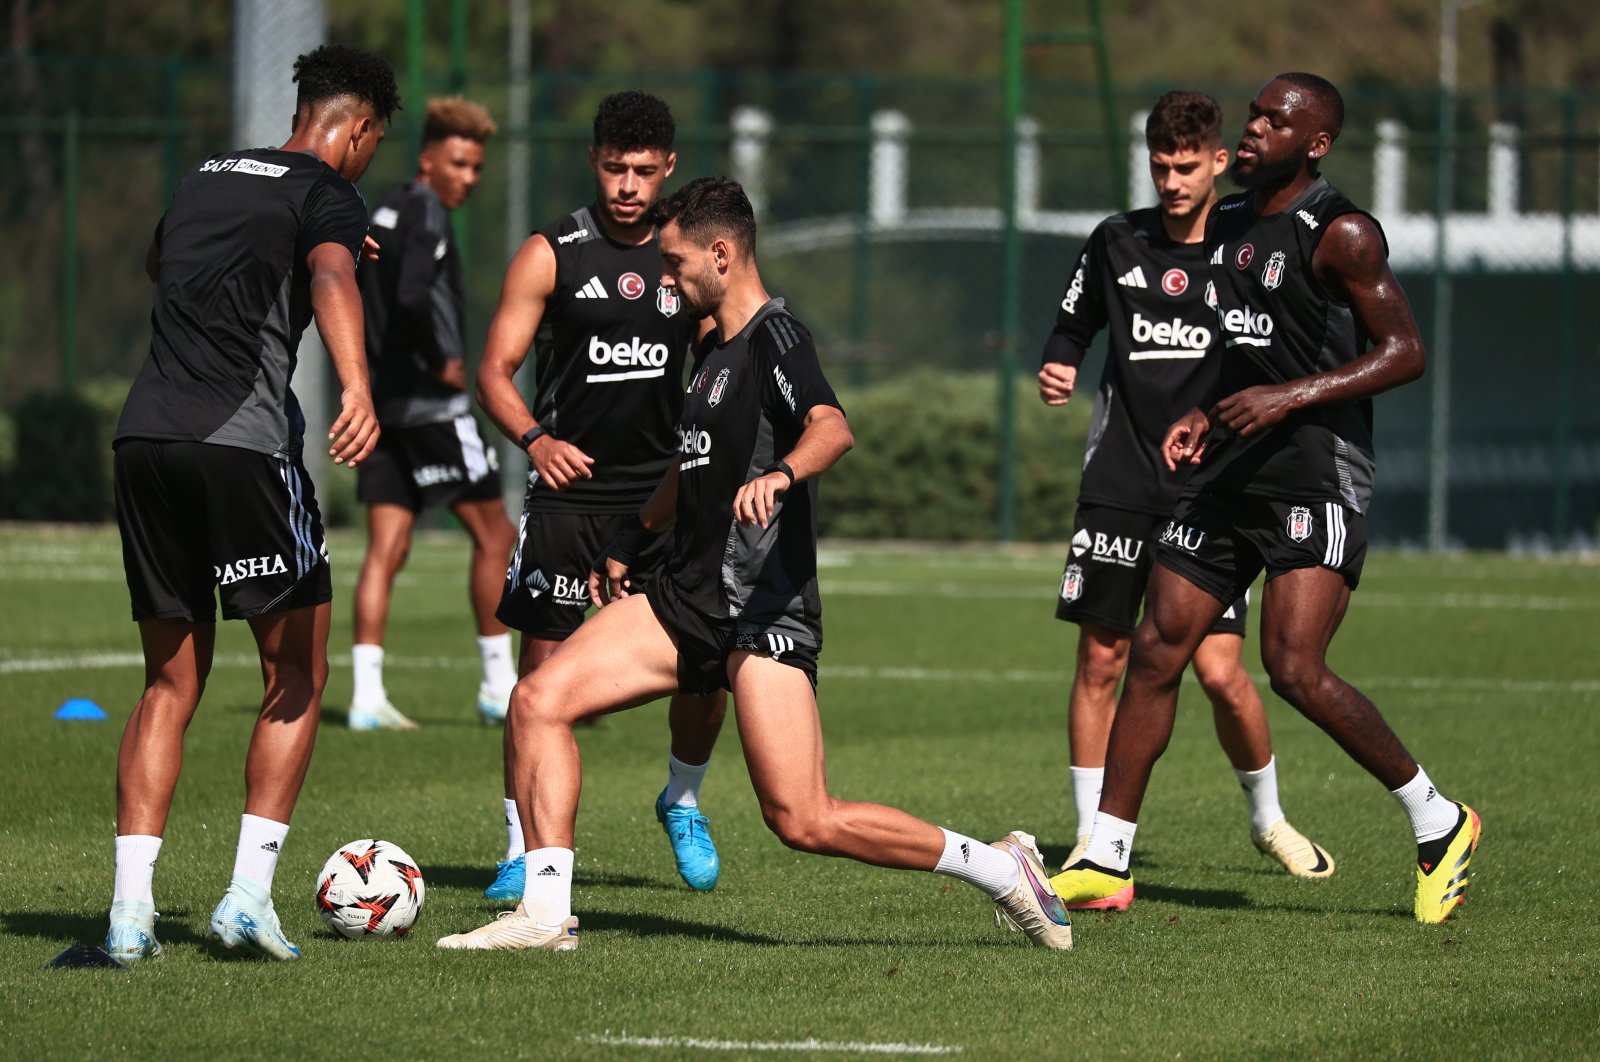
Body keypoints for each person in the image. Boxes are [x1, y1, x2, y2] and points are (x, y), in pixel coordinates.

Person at [436, 176, 1074, 953]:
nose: (666, 284)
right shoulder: (711, 347)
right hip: (684, 597)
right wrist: (629, 538)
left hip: (763, 611)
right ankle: (544, 914)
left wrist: (783, 474)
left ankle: (1001, 868)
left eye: (674, 267)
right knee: (536, 701)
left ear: (722, 253)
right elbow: (690, 462)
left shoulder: (778, 338)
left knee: (803, 820)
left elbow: (831, 427)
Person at [1052, 73, 1480, 924]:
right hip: (1227, 468)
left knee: (1292, 668)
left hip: (1316, 469)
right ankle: (1105, 853)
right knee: (1158, 646)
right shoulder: (1235, 223)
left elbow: (1404, 352)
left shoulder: (1343, 233)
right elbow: (1242, 353)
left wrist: (1287, 399)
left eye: (1272, 121)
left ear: (1313, 143)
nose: (1252, 130)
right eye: (1252, 116)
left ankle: (1440, 821)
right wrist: (1205, 414)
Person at [104, 44, 398, 962]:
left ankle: (127, 917)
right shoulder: (328, 191)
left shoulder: (205, 174)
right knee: (297, 673)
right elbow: (332, 278)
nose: (365, 160)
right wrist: (356, 385)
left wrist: (306, 240)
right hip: (241, 447)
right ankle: (244, 898)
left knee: (169, 682)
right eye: (373, 146)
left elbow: (164, 259)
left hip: (145, 439)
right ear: (355, 130)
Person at [1038, 90, 1332, 890]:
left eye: (1185, 167)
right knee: (1102, 657)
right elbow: (1073, 321)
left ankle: (1269, 818)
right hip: (1121, 480)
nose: (1171, 182)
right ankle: (1095, 843)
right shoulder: (1116, 241)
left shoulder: (1245, 244)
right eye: (1160, 167)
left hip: (1213, 486)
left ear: (1215, 163)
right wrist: (1061, 358)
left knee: (1220, 673)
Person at [473, 92, 724, 902]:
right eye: (614, 167)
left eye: (644, 171)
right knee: (538, 678)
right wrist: (535, 442)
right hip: (568, 503)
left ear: (669, 168)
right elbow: (494, 372)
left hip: (663, 500)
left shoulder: (686, 258)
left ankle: (682, 798)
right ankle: (522, 849)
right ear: (593, 161)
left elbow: (725, 365)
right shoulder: (552, 251)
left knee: (704, 669)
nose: (627, 185)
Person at [348, 96, 517, 731]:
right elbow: (414, 293)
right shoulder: (427, 214)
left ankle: (366, 698)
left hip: (383, 404)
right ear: (428, 159)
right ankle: (500, 687)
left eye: (475, 167)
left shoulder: (384, 206)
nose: (467, 178)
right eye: (458, 163)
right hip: (430, 406)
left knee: (387, 546)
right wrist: (440, 358)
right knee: (496, 536)